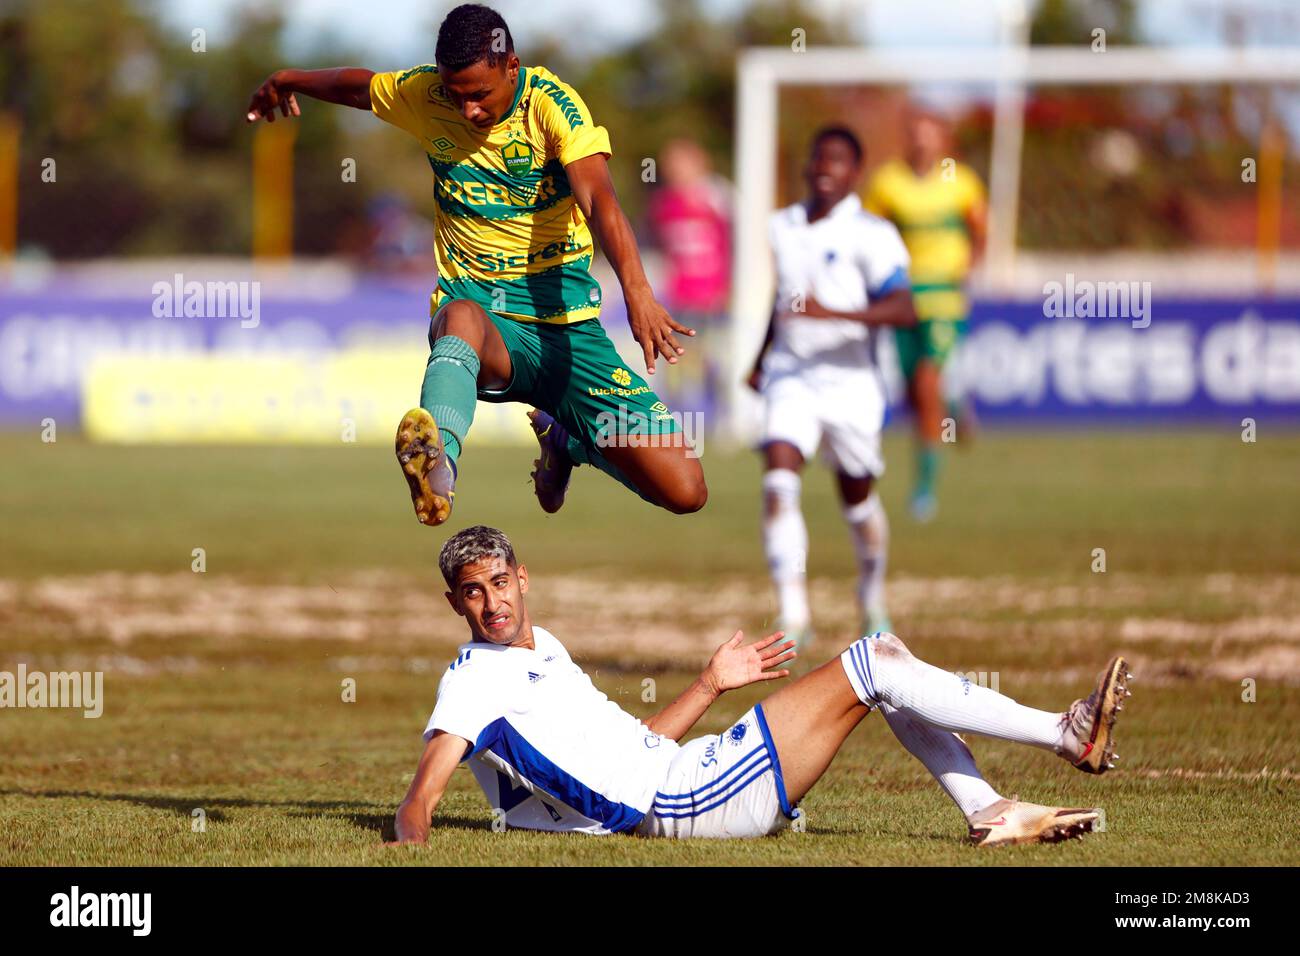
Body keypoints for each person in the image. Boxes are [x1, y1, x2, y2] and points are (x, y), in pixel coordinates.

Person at [245, 4, 706, 526]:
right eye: (455, 95)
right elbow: (359, 86)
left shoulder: (553, 108)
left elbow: (599, 200)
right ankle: (439, 467)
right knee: (459, 315)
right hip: (489, 328)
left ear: (512, 66)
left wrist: (639, 293)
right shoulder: (426, 94)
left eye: (479, 95)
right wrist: (290, 79)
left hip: (570, 333)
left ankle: (568, 441)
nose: (467, 110)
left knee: (685, 490)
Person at [388, 525, 1131, 847]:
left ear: (523, 577)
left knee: (882, 665)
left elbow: (633, 746)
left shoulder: (540, 645)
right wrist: (411, 840)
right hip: (678, 802)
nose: (491, 604)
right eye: (472, 594)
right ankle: (1067, 736)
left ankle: (990, 809)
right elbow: (419, 801)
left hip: (679, 775)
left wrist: (711, 684)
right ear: (455, 604)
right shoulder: (472, 685)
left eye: (498, 583)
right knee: (872, 663)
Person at [746, 127, 916, 647]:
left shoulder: (873, 233)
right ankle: (793, 612)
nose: (825, 167)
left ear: (854, 171)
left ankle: (871, 594)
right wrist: (761, 357)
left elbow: (904, 308)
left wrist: (833, 313)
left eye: (838, 160)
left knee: (857, 498)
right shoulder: (784, 225)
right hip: (793, 375)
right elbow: (786, 296)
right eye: (819, 158)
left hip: (851, 382)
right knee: (778, 478)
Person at [865, 107, 987, 522]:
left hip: (944, 301)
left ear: (942, 139)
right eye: (915, 133)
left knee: (925, 382)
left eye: (930, 134)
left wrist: (966, 271)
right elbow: (870, 232)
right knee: (914, 395)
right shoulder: (888, 183)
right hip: (903, 299)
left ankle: (924, 489)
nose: (922, 141)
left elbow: (979, 232)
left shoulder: (962, 182)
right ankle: (954, 402)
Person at [645, 139, 732, 424]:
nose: (675, 170)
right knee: (674, 360)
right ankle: (676, 418)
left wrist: (728, 286)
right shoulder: (663, 204)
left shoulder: (718, 199)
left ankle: (723, 417)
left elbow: (734, 244)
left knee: (711, 358)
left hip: (711, 296)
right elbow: (657, 245)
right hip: (678, 296)